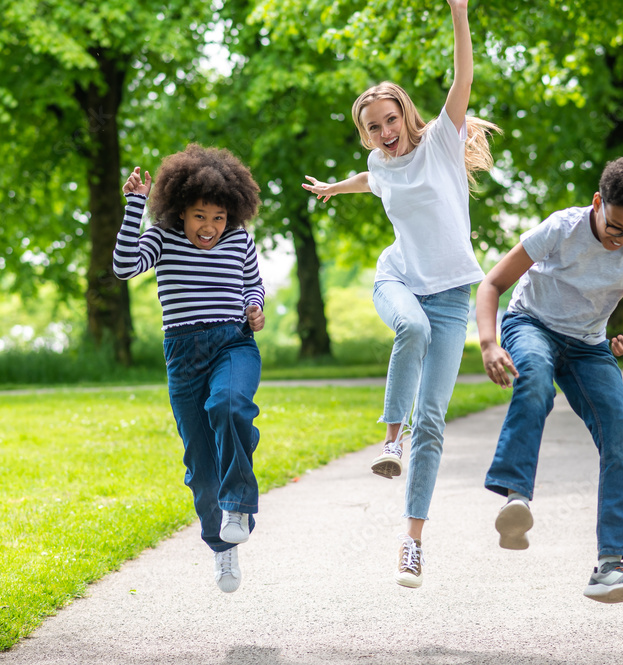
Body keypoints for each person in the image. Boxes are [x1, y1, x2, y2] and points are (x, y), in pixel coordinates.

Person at [301, 0, 498, 588]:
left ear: (405, 115)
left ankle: (412, 542)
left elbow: (463, 76)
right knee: (409, 329)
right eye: (372, 127)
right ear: (364, 133)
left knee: (434, 422)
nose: (384, 133)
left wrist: (459, 13)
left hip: (451, 295)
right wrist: (338, 186)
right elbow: (373, 178)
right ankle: (391, 438)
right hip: (399, 279)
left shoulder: (441, 141)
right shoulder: (377, 163)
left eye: (390, 120)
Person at [476, 153, 623, 604]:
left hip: (589, 345)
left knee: (622, 435)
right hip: (532, 324)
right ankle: (515, 497)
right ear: (598, 203)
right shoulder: (561, 228)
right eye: (615, 228)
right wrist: (488, 343)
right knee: (536, 380)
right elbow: (491, 285)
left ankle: (611, 565)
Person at [113, 144, 265, 594]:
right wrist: (134, 207)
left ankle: (238, 502)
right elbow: (123, 267)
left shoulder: (238, 238)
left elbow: (252, 284)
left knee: (230, 403)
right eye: (200, 215)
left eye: (218, 217)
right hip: (182, 354)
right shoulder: (162, 237)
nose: (210, 227)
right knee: (200, 464)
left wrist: (254, 308)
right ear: (181, 211)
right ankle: (223, 549)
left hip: (233, 343)